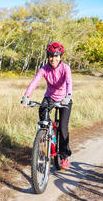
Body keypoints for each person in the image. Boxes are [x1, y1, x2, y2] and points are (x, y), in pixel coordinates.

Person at [21, 42, 73, 170]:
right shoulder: (44, 69)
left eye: (56, 56)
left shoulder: (65, 68)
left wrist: (68, 96)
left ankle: (64, 157)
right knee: (42, 115)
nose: (53, 59)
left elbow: (69, 83)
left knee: (63, 128)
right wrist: (26, 96)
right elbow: (34, 82)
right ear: (47, 56)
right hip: (49, 97)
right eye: (50, 56)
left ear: (60, 56)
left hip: (65, 99)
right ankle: (48, 134)